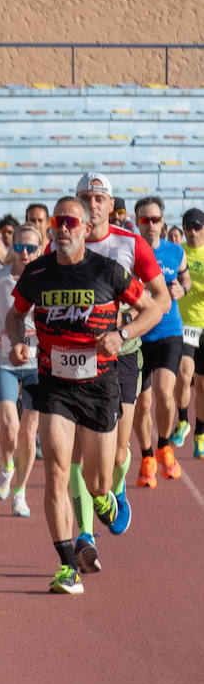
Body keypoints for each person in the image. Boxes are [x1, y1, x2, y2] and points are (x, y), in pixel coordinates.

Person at [6, 195, 161, 593]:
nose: (63, 228)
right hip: (54, 385)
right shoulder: (37, 273)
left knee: (97, 482)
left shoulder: (109, 272)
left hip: (99, 385)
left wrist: (123, 334)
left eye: (71, 222)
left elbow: (153, 310)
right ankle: (65, 566)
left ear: (86, 230)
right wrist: (16, 341)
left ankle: (105, 500)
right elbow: (14, 313)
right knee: (56, 470)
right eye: (58, 221)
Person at [68, 172, 168, 565]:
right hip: (76, 357)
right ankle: (85, 537)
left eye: (98, 198)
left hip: (123, 353)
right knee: (78, 451)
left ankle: (116, 487)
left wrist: (124, 326)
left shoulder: (131, 244)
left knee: (113, 455)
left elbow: (158, 300)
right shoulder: (61, 244)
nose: (92, 204)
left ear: (111, 205)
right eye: (84, 197)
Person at [0, 224, 42, 517]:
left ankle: (20, 492)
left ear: (40, 251)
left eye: (31, 248)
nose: (25, 253)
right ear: (12, 248)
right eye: (20, 247)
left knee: (28, 435)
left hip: (39, 363)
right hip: (4, 362)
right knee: (9, 427)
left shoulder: (46, 279)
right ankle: (6, 465)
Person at [131, 196, 189, 488]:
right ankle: (146, 457)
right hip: (140, 335)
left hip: (168, 332)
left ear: (163, 222)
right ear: (137, 221)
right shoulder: (130, 253)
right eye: (145, 219)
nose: (150, 225)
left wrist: (182, 288)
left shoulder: (176, 252)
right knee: (142, 404)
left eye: (155, 219)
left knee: (166, 393)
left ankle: (164, 445)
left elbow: (185, 281)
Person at [176, 208, 204, 458]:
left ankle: (200, 435)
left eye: (196, 226)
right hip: (185, 324)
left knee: (203, 385)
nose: (192, 232)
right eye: (188, 227)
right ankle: (183, 420)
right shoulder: (179, 253)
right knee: (184, 375)